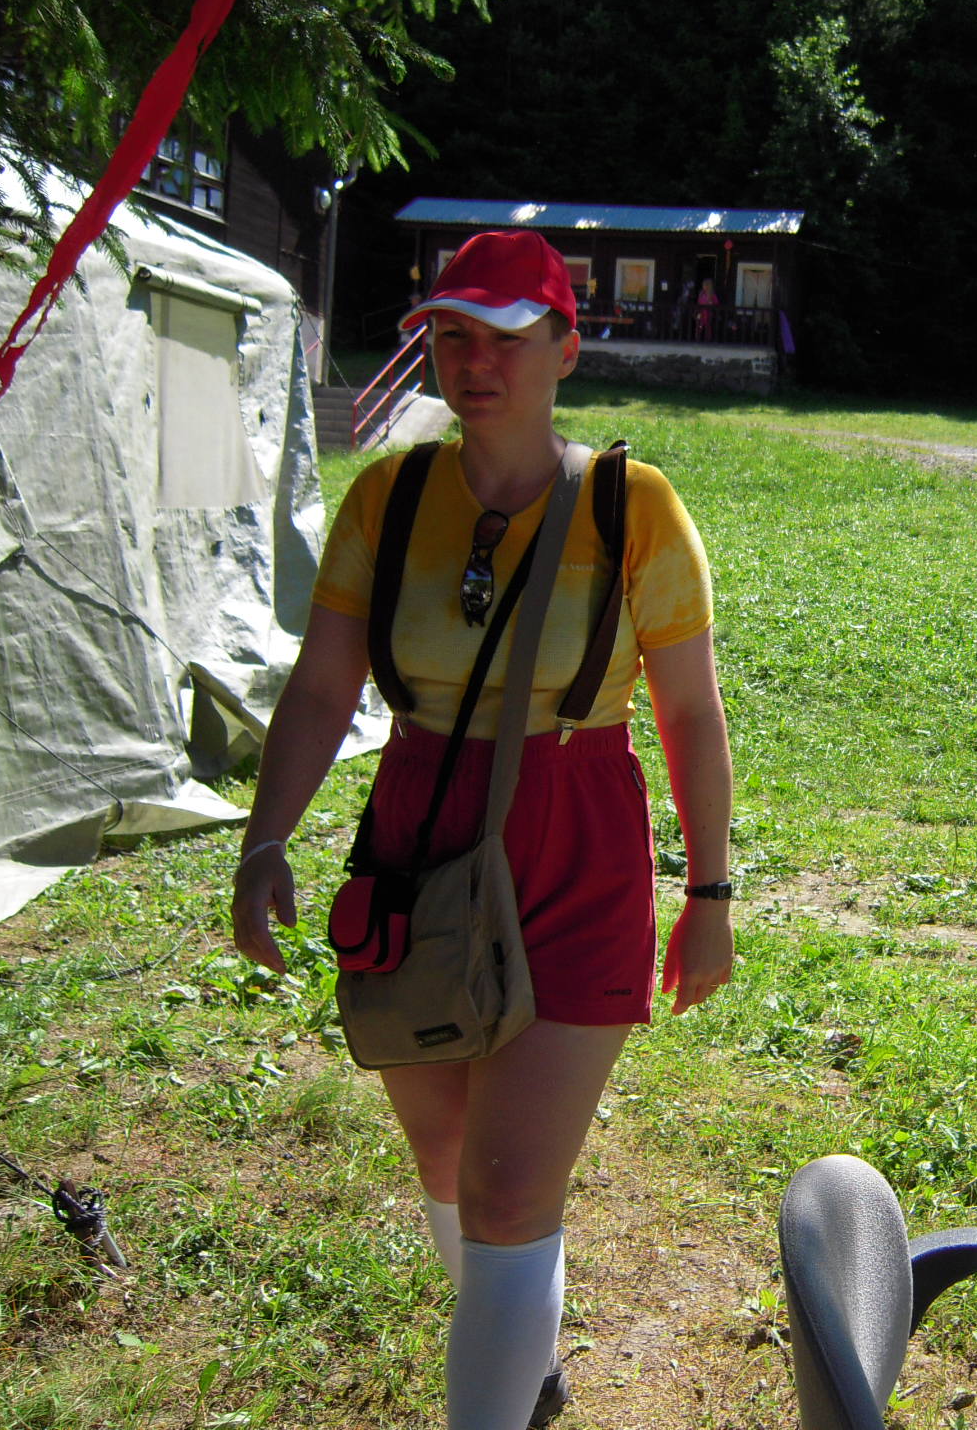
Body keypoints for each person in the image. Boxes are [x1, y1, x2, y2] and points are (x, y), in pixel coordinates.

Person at [231, 229, 735, 1428]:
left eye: (507, 337)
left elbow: (687, 711)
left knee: (508, 1192)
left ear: (565, 348)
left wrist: (708, 895)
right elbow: (322, 685)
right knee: (451, 1162)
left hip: (576, 834)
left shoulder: (632, 507)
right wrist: (264, 840)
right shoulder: (389, 497)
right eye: (453, 335)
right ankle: (520, 1358)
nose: (476, 362)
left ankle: (499, 1382)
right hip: (419, 835)